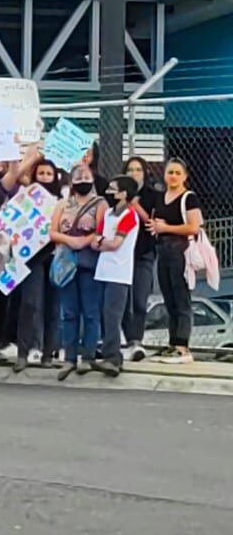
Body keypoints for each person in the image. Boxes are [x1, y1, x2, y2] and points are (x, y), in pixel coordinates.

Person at [49, 163, 107, 381]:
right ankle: (69, 357)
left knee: (91, 311)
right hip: (66, 262)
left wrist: (84, 241)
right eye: (78, 177)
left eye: (86, 176)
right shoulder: (62, 204)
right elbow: (53, 232)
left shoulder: (99, 203)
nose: (83, 180)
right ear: (71, 181)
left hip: (89, 262)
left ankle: (88, 355)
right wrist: (70, 240)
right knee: (69, 312)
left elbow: (101, 230)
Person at [146, 158, 203, 365]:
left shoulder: (189, 198)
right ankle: (173, 343)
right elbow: (156, 224)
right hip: (163, 251)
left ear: (185, 176)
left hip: (181, 251)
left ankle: (182, 346)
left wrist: (166, 227)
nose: (173, 176)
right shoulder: (161, 198)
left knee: (181, 299)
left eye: (178, 173)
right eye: (170, 172)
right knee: (169, 298)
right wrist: (156, 227)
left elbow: (194, 227)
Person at [15, 159, 64, 370]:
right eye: (41, 173)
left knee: (53, 307)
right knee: (30, 304)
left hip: (54, 257)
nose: (44, 177)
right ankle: (23, 353)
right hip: (32, 257)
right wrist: (35, 154)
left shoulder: (63, 201)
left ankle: (48, 354)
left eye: (48, 174)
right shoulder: (26, 197)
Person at [92, 175, 140, 377]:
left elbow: (115, 243)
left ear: (124, 193)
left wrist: (102, 242)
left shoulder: (129, 215)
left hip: (119, 273)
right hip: (103, 270)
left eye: (113, 189)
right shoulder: (109, 214)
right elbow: (97, 240)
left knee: (113, 315)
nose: (109, 192)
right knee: (103, 314)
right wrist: (102, 242)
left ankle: (113, 357)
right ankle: (106, 352)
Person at [123, 156, 159, 361]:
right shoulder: (118, 193)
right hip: (121, 254)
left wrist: (136, 206)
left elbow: (152, 224)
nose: (134, 174)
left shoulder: (153, 196)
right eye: (130, 170)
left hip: (143, 253)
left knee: (139, 298)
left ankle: (137, 339)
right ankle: (128, 339)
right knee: (123, 300)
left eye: (138, 170)